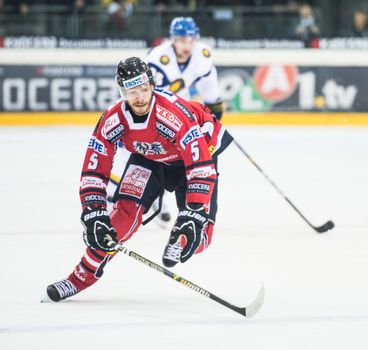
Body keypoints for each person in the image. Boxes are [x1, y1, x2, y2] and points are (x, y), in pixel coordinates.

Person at [45, 57, 233, 302]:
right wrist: (94, 212)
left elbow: (199, 165)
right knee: (122, 215)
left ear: (152, 85)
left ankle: (181, 237)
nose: (140, 97)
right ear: (122, 91)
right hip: (149, 156)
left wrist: (193, 212)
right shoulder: (114, 119)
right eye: (132, 91)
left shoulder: (171, 115)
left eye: (144, 89)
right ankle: (81, 276)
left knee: (200, 234)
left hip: (194, 158)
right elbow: (94, 168)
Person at [107, 17, 224, 225]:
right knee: (140, 153)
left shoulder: (203, 55)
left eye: (190, 39)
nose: (186, 45)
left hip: (181, 116)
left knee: (182, 160)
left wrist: (214, 107)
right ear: (173, 39)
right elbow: (148, 95)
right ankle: (125, 194)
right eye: (181, 39)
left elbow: (208, 82)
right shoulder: (156, 58)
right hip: (150, 115)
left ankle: (168, 198)